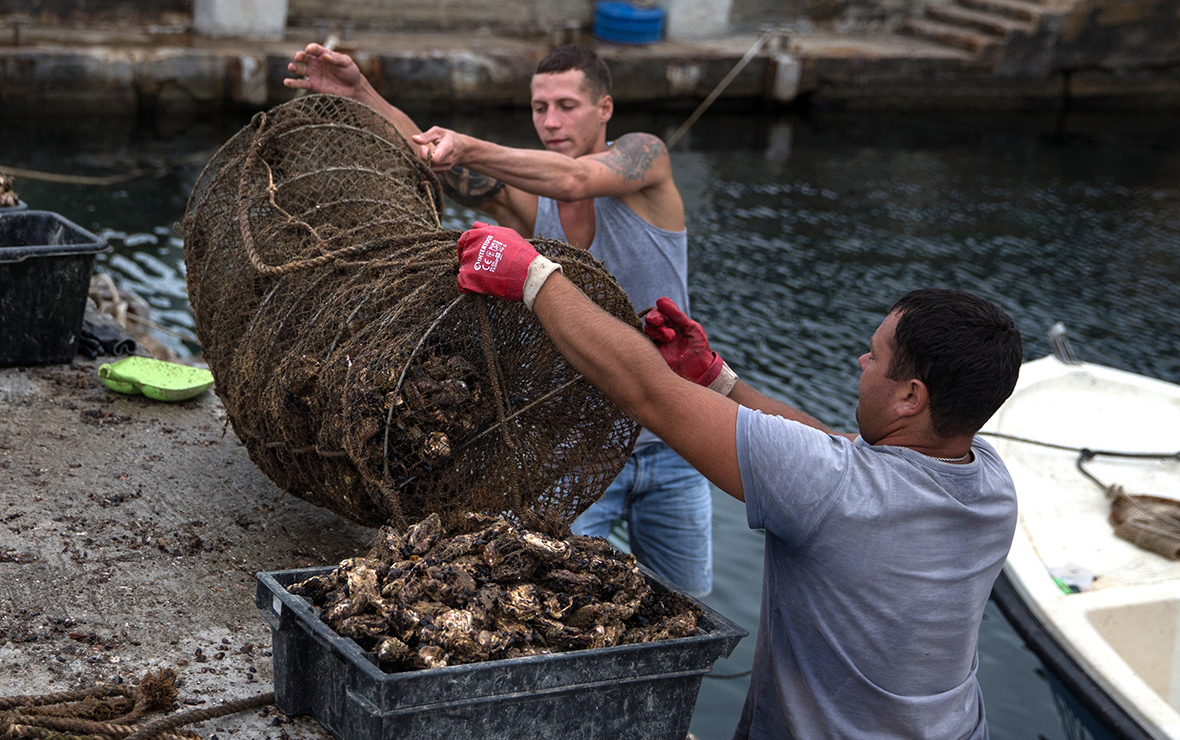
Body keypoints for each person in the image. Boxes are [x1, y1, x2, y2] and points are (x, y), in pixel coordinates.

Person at [451, 222, 1024, 739]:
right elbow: (837, 453)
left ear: (910, 397)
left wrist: (532, 276)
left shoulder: (834, 490)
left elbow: (645, 391)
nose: (860, 363)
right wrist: (716, 380)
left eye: (874, 357)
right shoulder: (990, 482)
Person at [285, 43, 714, 595]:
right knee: (559, 605)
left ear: (605, 108)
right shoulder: (529, 204)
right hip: (574, 452)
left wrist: (470, 145)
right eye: (540, 108)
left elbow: (575, 180)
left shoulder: (646, 158)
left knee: (687, 610)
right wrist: (362, 94)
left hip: (676, 445)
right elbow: (433, 155)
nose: (551, 121)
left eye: (567, 105)